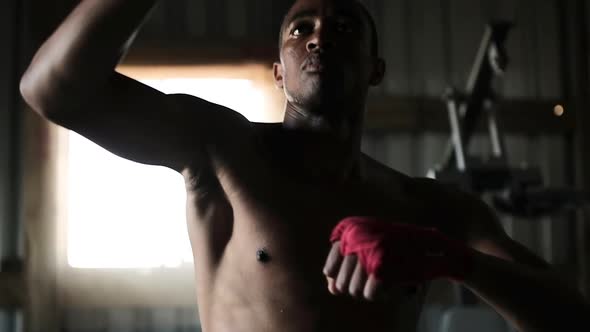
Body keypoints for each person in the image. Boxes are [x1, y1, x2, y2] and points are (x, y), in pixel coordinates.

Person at [20, 0, 589, 331]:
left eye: (343, 29)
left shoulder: (433, 209)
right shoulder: (223, 151)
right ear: (278, 71)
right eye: (301, 29)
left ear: (375, 69)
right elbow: (53, 90)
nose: (319, 38)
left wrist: (455, 260)